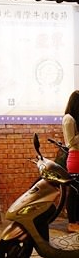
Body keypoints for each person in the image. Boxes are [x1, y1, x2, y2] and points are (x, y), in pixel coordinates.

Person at [62, 90, 79, 232]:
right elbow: (71, 141)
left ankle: (77, 221)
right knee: (73, 192)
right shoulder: (69, 118)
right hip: (75, 157)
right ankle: (71, 223)